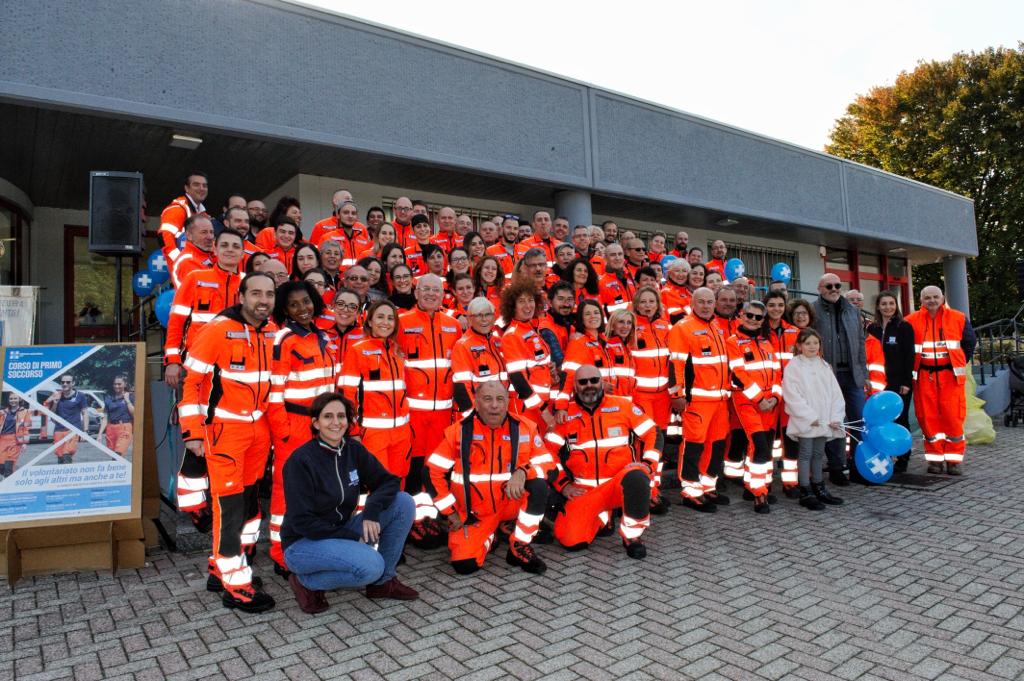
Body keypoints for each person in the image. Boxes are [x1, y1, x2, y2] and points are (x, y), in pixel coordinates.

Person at [179, 272, 277, 612]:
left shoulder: (271, 333)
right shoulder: (218, 330)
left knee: (250, 505)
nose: (263, 300)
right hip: (225, 432)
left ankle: (225, 568)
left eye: (269, 294)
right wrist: (191, 432)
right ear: (241, 295)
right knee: (231, 508)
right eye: (256, 293)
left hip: (258, 431)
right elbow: (190, 384)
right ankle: (236, 587)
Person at [282, 392, 417, 613]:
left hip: (340, 530)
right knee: (371, 566)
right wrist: (354, 537)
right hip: (303, 543)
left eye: (341, 416)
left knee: (403, 502)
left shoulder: (352, 450)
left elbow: (388, 481)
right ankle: (306, 583)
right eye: (327, 417)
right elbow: (303, 522)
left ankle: (382, 583)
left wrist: (372, 510)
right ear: (315, 423)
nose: (336, 422)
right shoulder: (300, 461)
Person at [427, 381, 553, 575]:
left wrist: (523, 471)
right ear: (476, 403)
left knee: (538, 486)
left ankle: (519, 545)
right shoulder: (458, 432)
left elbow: (549, 466)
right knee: (464, 565)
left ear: (507, 403)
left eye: (500, 399)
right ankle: (490, 536)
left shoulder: (525, 427)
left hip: (512, 502)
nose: (494, 405)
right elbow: (431, 471)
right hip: (476, 512)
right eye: (487, 399)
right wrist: (449, 511)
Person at [546, 365, 659, 559]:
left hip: (618, 485)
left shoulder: (622, 405)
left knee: (638, 476)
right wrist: (563, 485)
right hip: (585, 491)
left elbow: (652, 432)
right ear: (575, 386)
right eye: (583, 382)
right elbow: (547, 454)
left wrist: (648, 464)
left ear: (602, 382)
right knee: (569, 540)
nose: (589, 385)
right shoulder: (565, 416)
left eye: (594, 380)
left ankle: (632, 536)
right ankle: (602, 517)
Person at [267, 281, 338, 575]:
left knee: (318, 489)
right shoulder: (284, 340)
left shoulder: (322, 337)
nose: (302, 309)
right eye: (294, 304)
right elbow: (274, 393)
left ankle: (311, 545)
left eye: (306, 302)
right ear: (285, 309)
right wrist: (283, 433)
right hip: (295, 427)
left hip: (323, 428)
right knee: (287, 492)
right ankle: (280, 551)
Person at [396, 274, 463, 544]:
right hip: (413, 412)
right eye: (426, 290)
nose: (431, 294)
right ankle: (415, 520)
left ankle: (431, 516)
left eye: (436, 290)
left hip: (443, 413)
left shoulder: (453, 325)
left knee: (434, 467)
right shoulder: (401, 323)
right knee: (413, 467)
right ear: (416, 292)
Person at [669, 287, 731, 512]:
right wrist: (677, 395)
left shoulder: (715, 327)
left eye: (709, 302)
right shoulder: (683, 328)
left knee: (715, 446)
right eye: (701, 302)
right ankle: (690, 492)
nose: (706, 306)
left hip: (720, 401)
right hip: (697, 401)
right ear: (693, 303)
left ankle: (707, 487)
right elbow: (675, 365)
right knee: (693, 446)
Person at [905, 285, 976, 475]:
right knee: (928, 419)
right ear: (921, 300)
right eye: (927, 297)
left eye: (935, 297)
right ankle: (935, 461)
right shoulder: (910, 321)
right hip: (924, 377)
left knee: (953, 418)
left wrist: (957, 363)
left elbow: (969, 343)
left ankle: (953, 461)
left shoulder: (958, 318)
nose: (932, 301)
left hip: (950, 377)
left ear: (942, 298)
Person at [340, 300, 412, 480]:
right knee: (377, 484)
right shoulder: (357, 350)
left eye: (390, 318)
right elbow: (346, 396)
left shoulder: (398, 352)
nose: (385, 322)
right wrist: (353, 432)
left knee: (398, 479)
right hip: (372, 434)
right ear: (369, 321)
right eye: (380, 317)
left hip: (401, 433)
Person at [726, 301, 782, 514]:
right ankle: (760, 494)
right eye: (750, 315)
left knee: (763, 447)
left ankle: (755, 485)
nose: (753, 320)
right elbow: (738, 375)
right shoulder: (733, 342)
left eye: (759, 317)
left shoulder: (767, 343)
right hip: (748, 403)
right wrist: (760, 399)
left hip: (770, 404)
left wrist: (775, 398)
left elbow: (777, 374)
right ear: (741, 315)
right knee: (759, 445)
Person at [781, 329, 846, 510]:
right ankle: (805, 489)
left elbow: (835, 393)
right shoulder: (794, 366)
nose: (812, 347)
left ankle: (819, 486)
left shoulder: (823, 365)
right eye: (807, 343)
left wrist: (835, 416)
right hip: (807, 421)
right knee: (805, 454)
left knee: (818, 454)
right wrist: (810, 417)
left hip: (824, 420)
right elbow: (792, 395)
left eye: (815, 343)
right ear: (799, 346)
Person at [813, 273, 868, 486]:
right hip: (828, 377)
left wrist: (863, 373)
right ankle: (837, 467)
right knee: (834, 424)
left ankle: (858, 465)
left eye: (837, 285)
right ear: (820, 288)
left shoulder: (853, 311)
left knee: (859, 421)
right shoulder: (813, 310)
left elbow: (861, 344)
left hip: (852, 376)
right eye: (829, 286)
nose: (834, 289)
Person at [867, 291, 915, 472]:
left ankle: (903, 458)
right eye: (884, 304)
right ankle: (885, 456)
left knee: (901, 420)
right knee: (880, 421)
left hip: (899, 383)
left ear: (896, 306)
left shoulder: (904, 327)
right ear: (878, 307)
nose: (888, 307)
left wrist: (906, 382)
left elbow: (909, 356)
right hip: (879, 383)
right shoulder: (872, 328)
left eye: (891, 303)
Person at [500, 280, 555, 430]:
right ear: (512, 306)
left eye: (530, 300)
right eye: (521, 301)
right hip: (526, 407)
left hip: (541, 404)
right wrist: (543, 410)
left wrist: (551, 374)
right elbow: (517, 378)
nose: (528, 305)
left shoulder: (530, 329)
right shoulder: (512, 335)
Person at [763, 290, 800, 495]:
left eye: (780, 305)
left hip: (790, 396)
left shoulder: (795, 332)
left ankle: (790, 483)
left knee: (791, 440)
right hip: (767, 395)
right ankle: (764, 483)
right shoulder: (759, 332)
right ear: (765, 307)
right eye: (772, 305)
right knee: (767, 442)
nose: (776, 309)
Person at [451, 298, 509, 416]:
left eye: (487, 314)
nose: (484, 319)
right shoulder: (463, 345)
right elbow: (461, 389)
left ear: (493, 317)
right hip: (478, 416)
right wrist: (475, 418)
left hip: (498, 413)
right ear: (470, 319)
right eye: (478, 315)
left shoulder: (498, 342)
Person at [555, 299, 614, 414]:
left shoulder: (604, 342)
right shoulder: (578, 343)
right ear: (581, 319)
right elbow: (568, 376)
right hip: (589, 404)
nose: (593, 316)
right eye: (587, 314)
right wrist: (561, 407)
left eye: (596, 312)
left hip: (608, 402)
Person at [159, 171, 208, 267]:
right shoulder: (177, 209)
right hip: (183, 270)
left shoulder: (203, 214)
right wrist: (180, 262)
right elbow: (164, 238)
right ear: (187, 188)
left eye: (204, 185)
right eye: (196, 185)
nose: (201, 188)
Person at [313, 201, 372, 271]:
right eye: (346, 212)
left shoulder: (364, 242)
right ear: (338, 215)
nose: (350, 216)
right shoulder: (327, 238)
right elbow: (319, 263)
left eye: (353, 213)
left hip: (359, 280)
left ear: (357, 217)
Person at [44, 374, 89, 465]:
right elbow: (52, 415)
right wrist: (55, 403)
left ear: (73, 383)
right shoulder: (57, 395)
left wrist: (85, 431)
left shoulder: (80, 396)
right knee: (60, 457)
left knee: (66, 455)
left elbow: (85, 413)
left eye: (68, 382)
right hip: (58, 430)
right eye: (63, 382)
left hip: (72, 430)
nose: (65, 384)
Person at [170, 215, 216, 288]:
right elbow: (205, 291)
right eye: (204, 232)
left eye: (211, 232)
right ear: (189, 235)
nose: (210, 237)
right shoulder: (187, 261)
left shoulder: (209, 254)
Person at [539, 282, 576, 371]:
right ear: (550, 302)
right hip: (557, 381)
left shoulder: (571, 324)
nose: (566, 304)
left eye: (570, 299)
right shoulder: (546, 328)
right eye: (561, 299)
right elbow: (559, 363)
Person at [99, 375, 134, 455]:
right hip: (111, 429)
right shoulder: (109, 398)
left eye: (119, 384)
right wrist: (100, 433)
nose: (116, 386)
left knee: (118, 453)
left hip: (124, 427)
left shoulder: (130, 396)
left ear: (125, 384)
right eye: (115, 384)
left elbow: (134, 413)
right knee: (113, 455)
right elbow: (105, 418)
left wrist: (127, 400)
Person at [599, 244, 636, 314]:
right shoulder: (601, 283)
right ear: (605, 258)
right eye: (613, 255)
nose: (617, 258)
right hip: (615, 323)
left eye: (620, 254)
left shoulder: (631, 276)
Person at [0, 394, 29, 477]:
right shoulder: (3, 412)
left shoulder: (25, 412)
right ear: (8, 400)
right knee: (1, 466)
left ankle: (8, 487)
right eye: (11, 399)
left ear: (19, 399)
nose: (13, 400)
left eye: (15, 398)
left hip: (15, 441)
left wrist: (24, 443)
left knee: (9, 465)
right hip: (2, 440)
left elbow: (26, 428)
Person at [661, 259, 692, 323]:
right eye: (677, 271)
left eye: (684, 271)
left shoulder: (688, 291)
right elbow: (676, 317)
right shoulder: (666, 292)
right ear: (669, 273)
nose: (681, 274)